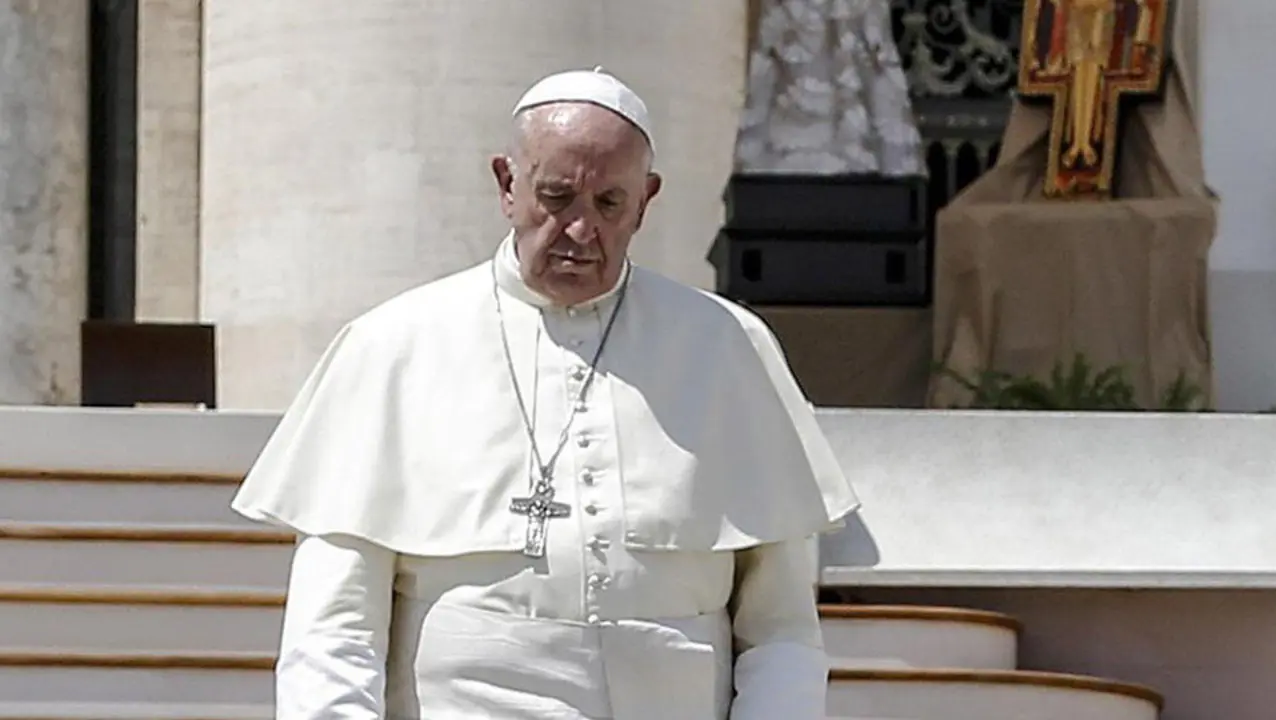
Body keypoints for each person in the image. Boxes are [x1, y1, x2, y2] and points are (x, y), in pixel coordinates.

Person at [231, 67, 859, 720]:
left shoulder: (729, 346)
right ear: (507, 184)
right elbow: (333, 628)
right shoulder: (391, 346)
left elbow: (782, 631)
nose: (581, 231)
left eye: (609, 204)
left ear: (646, 200)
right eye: (557, 198)